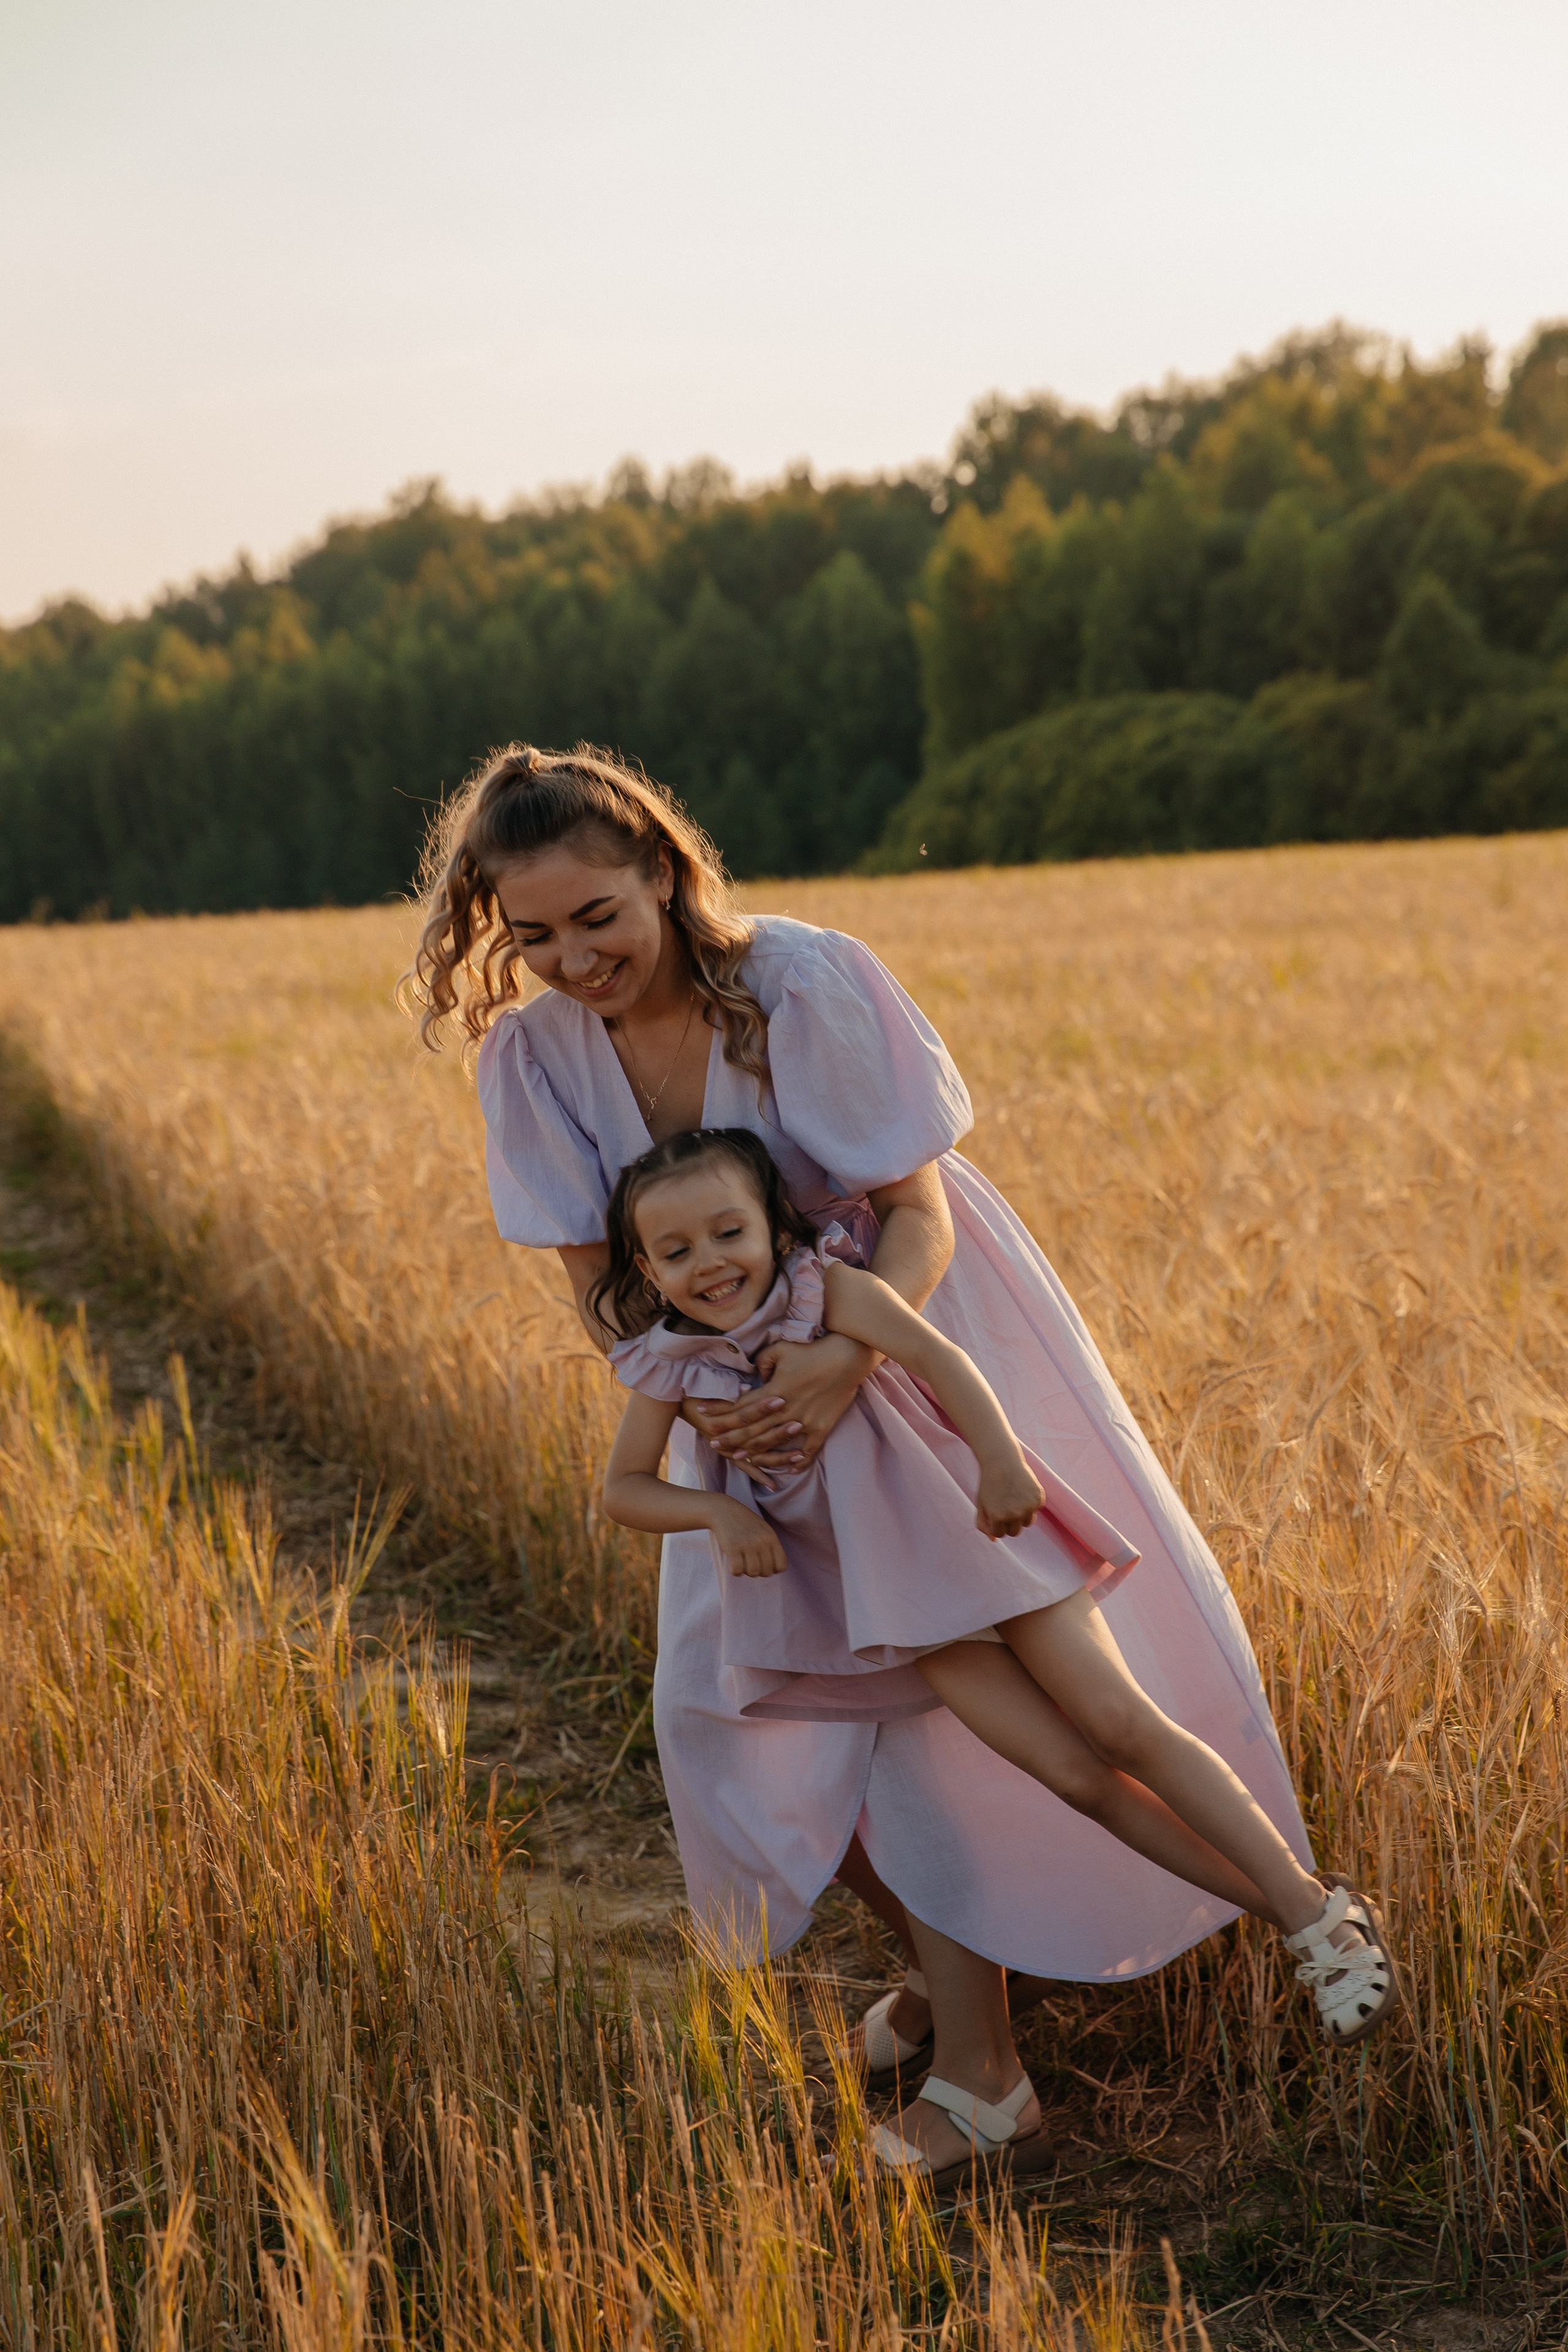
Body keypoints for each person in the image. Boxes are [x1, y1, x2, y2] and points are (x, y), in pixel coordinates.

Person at [404, 741, 1393, 2185]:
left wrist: (844, 1364)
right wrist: (711, 1410)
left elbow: (912, 1217)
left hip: (918, 1352)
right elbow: (603, 1293)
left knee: (930, 1725)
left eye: (597, 917)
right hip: (743, 1420)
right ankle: (945, 1980)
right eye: (531, 934)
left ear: (664, 878)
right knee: (751, 1720)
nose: (571, 958)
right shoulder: (530, 1059)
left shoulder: (800, 981)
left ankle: (989, 2075)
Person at [590, 1126, 1395, 2174]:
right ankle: (1291, 1919)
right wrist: (715, 1517)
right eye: (678, 1250)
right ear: (647, 1271)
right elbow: (624, 1489)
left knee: (1116, 1726)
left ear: (776, 1227)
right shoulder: (672, 1363)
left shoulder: (827, 1291)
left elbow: (942, 1359)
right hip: (898, 1602)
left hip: (980, 1534)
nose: (711, 1262)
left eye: (730, 1230)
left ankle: (1313, 1915)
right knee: (1071, 1775)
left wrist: (1006, 1466)